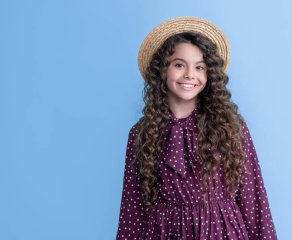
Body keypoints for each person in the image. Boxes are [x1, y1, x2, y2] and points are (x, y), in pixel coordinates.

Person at [116, 16, 278, 240]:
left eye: (199, 67)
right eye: (179, 64)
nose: (190, 74)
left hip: (222, 233)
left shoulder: (229, 127)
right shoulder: (141, 133)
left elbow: (253, 198)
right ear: (163, 70)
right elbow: (132, 209)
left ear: (209, 74)